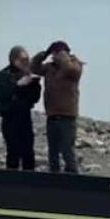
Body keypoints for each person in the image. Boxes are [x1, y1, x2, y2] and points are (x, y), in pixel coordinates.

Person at [31, 40, 84, 174]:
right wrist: (44, 54)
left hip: (67, 115)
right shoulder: (49, 67)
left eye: (58, 53)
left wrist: (62, 56)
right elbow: (34, 68)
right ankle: (54, 178)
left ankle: (72, 176)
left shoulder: (75, 65)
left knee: (67, 149)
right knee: (53, 151)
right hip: (52, 114)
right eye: (54, 53)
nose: (55, 56)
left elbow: (70, 70)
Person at [0, 46, 41, 170]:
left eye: (27, 59)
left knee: (28, 152)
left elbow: (34, 97)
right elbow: (3, 94)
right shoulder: (3, 75)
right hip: (10, 118)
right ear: (14, 59)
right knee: (13, 152)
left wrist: (34, 83)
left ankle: (30, 184)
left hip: (25, 118)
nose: (25, 62)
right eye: (22, 59)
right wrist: (18, 85)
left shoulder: (28, 75)